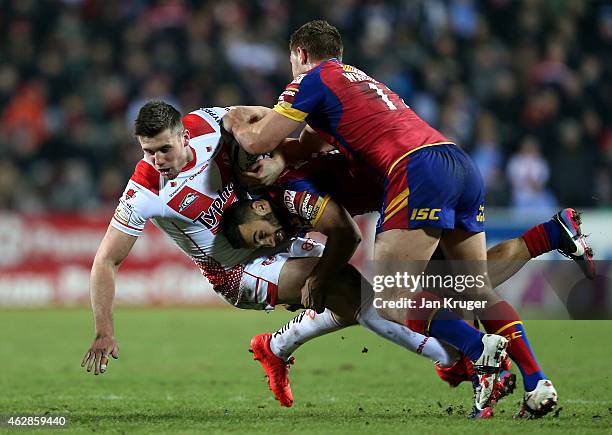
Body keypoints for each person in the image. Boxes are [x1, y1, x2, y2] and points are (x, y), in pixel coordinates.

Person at [222, 20, 594, 417]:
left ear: (299, 55)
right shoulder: (355, 80)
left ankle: (478, 351)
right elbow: (301, 145)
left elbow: (258, 139)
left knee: (390, 297)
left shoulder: (313, 78)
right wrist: (281, 155)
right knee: (472, 288)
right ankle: (537, 377)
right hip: (455, 160)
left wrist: (229, 117)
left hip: (414, 170)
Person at [80, 101, 507, 415]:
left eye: (163, 150)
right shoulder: (143, 193)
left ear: (184, 136)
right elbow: (106, 262)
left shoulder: (210, 124)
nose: (156, 161)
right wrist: (104, 330)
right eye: (147, 151)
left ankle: (276, 346)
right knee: (350, 291)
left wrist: (265, 136)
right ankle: (463, 359)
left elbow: (270, 118)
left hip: (273, 233)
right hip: (236, 269)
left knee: (344, 301)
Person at [222, 148, 593, 410]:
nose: (270, 242)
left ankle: (475, 354)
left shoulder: (288, 193)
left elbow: (347, 235)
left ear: (257, 206)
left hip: (407, 185)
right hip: (434, 166)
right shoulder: (282, 202)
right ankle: (548, 237)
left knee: (393, 297)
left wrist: (317, 279)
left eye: (260, 235)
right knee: (464, 281)